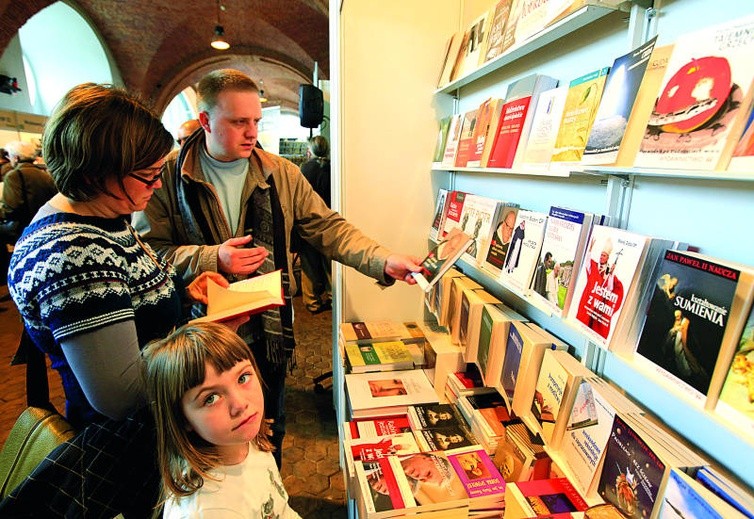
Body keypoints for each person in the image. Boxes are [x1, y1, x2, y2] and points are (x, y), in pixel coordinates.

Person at [133, 68, 423, 466]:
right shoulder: (168, 175)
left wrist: (382, 260)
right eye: (238, 122)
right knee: (206, 442)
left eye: (256, 121)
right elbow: (147, 254)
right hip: (199, 336)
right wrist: (211, 257)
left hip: (266, 330)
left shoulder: (279, 172)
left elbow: (327, 228)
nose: (252, 132)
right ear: (205, 121)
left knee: (270, 428)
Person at [2, 82, 230, 518]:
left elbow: (129, 306)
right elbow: (119, 391)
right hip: (124, 451)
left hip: (153, 435)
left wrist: (183, 296)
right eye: (147, 175)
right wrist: (203, 341)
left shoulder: (106, 214)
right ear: (93, 174)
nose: (158, 182)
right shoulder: (70, 251)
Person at [142, 322, 301, 518]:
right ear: (181, 419)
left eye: (242, 378)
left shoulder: (244, 440)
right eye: (211, 398)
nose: (240, 404)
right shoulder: (206, 511)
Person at [298, 134, 332, 313]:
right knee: (330, 265)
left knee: (309, 265)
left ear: (310, 150)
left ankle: (312, 302)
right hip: (328, 223)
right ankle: (334, 297)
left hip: (307, 224)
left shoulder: (304, 169)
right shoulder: (333, 168)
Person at [0, 140, 57, 239]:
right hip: (44, 223)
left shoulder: (13, 176)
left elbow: (11, 210)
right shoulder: (44, 174)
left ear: (16, 158)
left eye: (9, 156)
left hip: (23, 227)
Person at [575, 237, 624, 339]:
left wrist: (611, 274)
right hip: (588, 298)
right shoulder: (593, 265)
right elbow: (587, 263)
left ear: (607, 257)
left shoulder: (608, 271)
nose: (601, 257)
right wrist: (590, 249)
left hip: (598, 303)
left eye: (604, 255)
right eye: (601, 255)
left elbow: (610, 288)